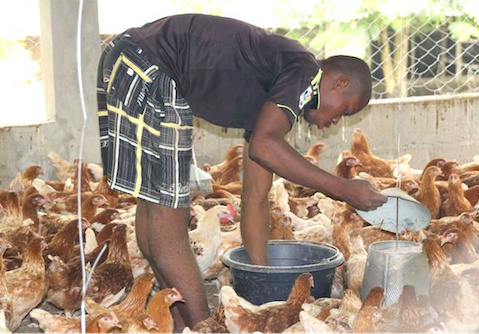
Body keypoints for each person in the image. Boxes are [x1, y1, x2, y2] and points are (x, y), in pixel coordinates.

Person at [96, 13, 388, 329]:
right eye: (343, 111)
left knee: (156, 208)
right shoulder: (305, 73)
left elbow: (256, 199)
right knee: (168, 219)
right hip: (151, 67)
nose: (335, 123)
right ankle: (205, 327)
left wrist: (265, 287)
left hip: (132, 60)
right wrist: (342, 188)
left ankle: (180, 322)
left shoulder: (272, 102)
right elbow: (265, 146)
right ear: (338, 83)